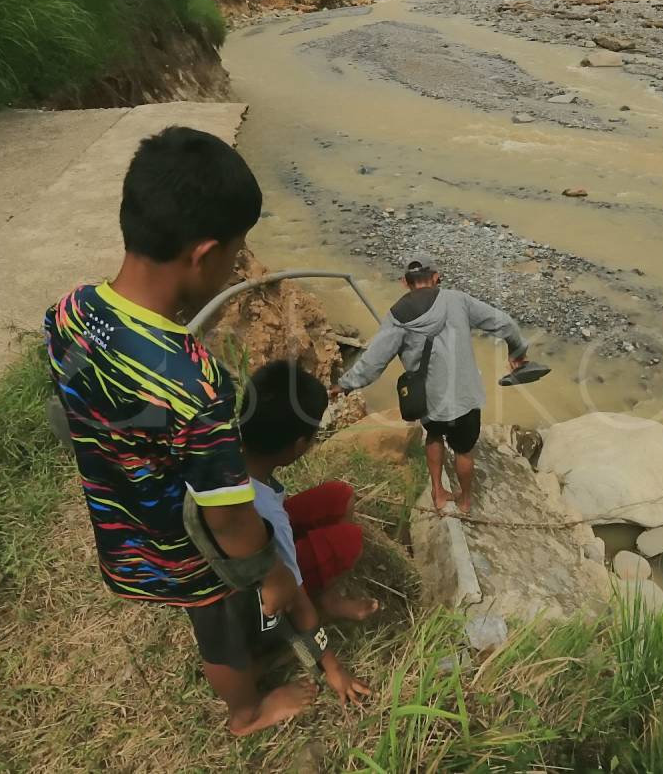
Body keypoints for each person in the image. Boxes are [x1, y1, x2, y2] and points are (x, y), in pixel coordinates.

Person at [44, 126, 311, 737]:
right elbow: (228, 521)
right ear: (204, 254)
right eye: (236, 254)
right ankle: (247, 713)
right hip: (176, 545)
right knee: (216, 623)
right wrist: (272, 572)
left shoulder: (71, 310)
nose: (235, 266)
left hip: (117, 515)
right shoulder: (196, 384)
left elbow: (75, 402)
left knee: (214, 617)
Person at [331, 254, 528, 514]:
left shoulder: (397, 315)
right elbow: (502, 322)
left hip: (428, 398)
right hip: (464, 397)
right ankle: (465, 501)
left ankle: (437, 493)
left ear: (404, 282)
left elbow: (374, 361)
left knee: (434, 436)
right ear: (436, 277)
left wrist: (344, 385)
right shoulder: (458, 300)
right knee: (464, 451)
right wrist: (517, 350)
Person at [236, 360, 375, 704]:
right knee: (350, 541)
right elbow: (292, 600)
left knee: (339, 496)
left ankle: (325, 593)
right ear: (299, 446)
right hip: (257, 589)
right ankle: (320, 606)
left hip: (253, 529)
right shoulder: (269, 516)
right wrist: (333, 669)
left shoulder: (231, 447)